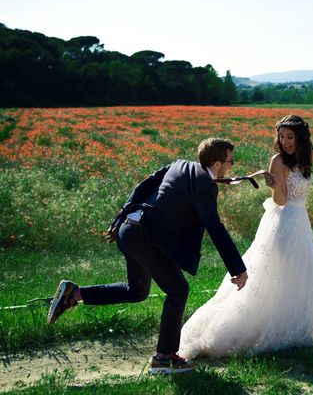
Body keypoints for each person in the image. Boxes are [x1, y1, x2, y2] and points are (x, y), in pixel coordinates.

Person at [47, 138, 271, 374]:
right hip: (143, 238)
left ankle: (75, 293)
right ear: (216, 163)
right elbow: (215, 227)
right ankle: (164, 358)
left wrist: (119, 218)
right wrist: (238, 269)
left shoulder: (178, 165)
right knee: (178, 290)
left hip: (130, 230)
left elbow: (143, 186)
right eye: (230, 161)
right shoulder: (205, 184)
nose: (231, 166)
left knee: (137, 291)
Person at [179, 115, 313, 359]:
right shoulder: (278, 161)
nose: (285, 142)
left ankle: (292, 331)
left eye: (290, 137)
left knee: (302, 275)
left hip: (301, 223)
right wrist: (276, 186)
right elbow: (281, 201)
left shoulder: (308, 154)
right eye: (281, 136)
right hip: (283, 222)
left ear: (300, 137)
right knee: (272, 276)